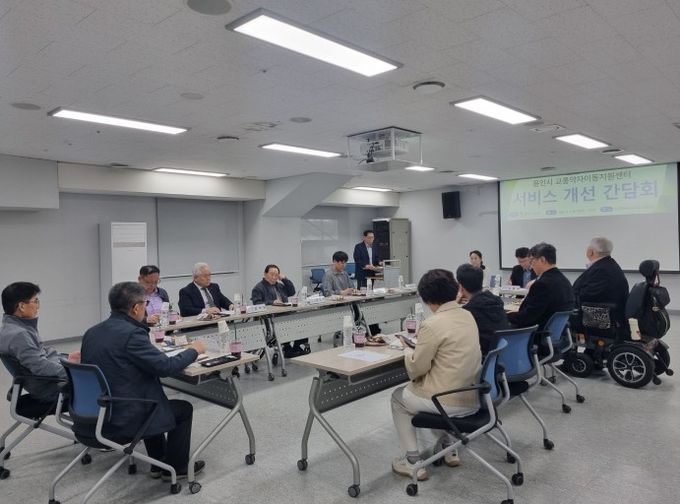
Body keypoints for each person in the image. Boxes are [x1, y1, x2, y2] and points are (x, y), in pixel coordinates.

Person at [80, 282, 206, 480]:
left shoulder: (92, 332)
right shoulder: (132, 334)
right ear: (136, 308)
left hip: (96, 412)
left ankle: (158, 462)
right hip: (123, 416)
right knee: (182, 409)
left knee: (151, 399)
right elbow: (165, 367)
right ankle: (177, 467)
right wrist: (193, 350)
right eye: (145, 304)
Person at [390, 269, 481, 480]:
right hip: (473, 395)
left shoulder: (432, 324)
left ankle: (412, 461)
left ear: (427, 299)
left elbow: (417, 369)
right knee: (433, 392)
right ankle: (449, 446)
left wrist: (406, 349)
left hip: (446, 401)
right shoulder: (468, 315)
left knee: (398, 398)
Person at [0, 282, 80, 404]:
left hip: (46, 382)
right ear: (22, 306)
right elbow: (40, 367)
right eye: (35, 301)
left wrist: (66, 358)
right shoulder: (19, 335)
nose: (38, 306)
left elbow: (41, 352)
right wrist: (74, 371)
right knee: (96, 383)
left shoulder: (12, 328)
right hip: (50, 389)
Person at [507, 243, 574, 330]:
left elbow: (527, 317)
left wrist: (505, 315)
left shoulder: (542, 285)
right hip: (554, 332)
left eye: (532, 261)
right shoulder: (564, 280)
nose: (531, 265)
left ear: (542, 259)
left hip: (536, 331)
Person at [572, 237, 629, 337]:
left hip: (601, 317)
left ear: (591, 252)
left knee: (558, 314)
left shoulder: (602, 270)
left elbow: (588, 295)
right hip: (607, 313)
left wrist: (569, 298)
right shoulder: (607, 265)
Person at [251, 264, 308, 357]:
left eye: (276, 275)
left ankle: (297, 347)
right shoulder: (258, 288)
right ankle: (287, 348)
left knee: (302, 321)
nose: (274, 277)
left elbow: (292, 292)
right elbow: (257, 303)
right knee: (289, 323)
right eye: (271, 274)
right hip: (272, 318)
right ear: (265, 274)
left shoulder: (280, 286)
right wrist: (272, 302)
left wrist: (284, 279)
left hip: (285, 313)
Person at [456, 264, 510, 354]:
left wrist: (455, 304)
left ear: (461, 287)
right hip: (502, 354)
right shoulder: (497, 301)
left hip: (482, 357)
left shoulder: (468, 311)